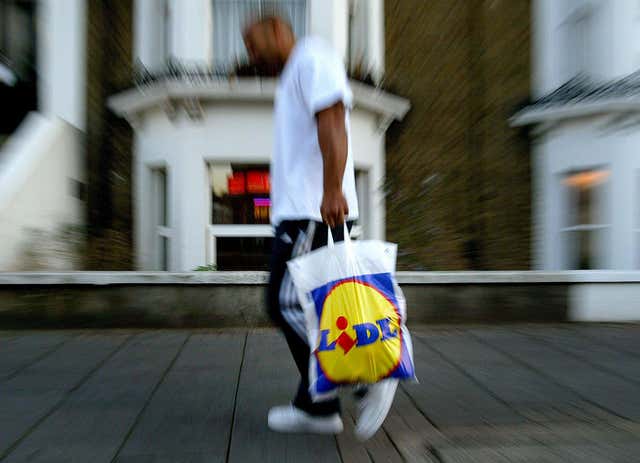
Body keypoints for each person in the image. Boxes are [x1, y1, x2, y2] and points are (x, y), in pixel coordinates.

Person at [243, 14, 398, 440]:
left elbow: (332, 119)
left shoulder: (311, 56)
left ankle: (367, 373)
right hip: (300, 211)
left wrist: (332, 190)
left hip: (312, 210)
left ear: (277, 30)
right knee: (304, 305)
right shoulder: (295, 71)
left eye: (253, 44)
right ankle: (319, 406)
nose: (250, 56)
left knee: (287, 304)